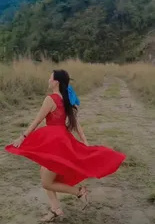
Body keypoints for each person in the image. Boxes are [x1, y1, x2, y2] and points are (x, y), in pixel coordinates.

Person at [5, 70, 126, 222]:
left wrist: (22, 137)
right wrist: (85, 142)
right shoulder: (66, 98)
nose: (48, 80)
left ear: (56, 82)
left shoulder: (51, 99)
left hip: (54, 143)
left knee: (46, 182)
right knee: (44, 174)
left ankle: (79, 192)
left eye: (50, 77)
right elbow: (77, 125)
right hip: (62, 141)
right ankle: (56, 209)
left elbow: (37, 121)